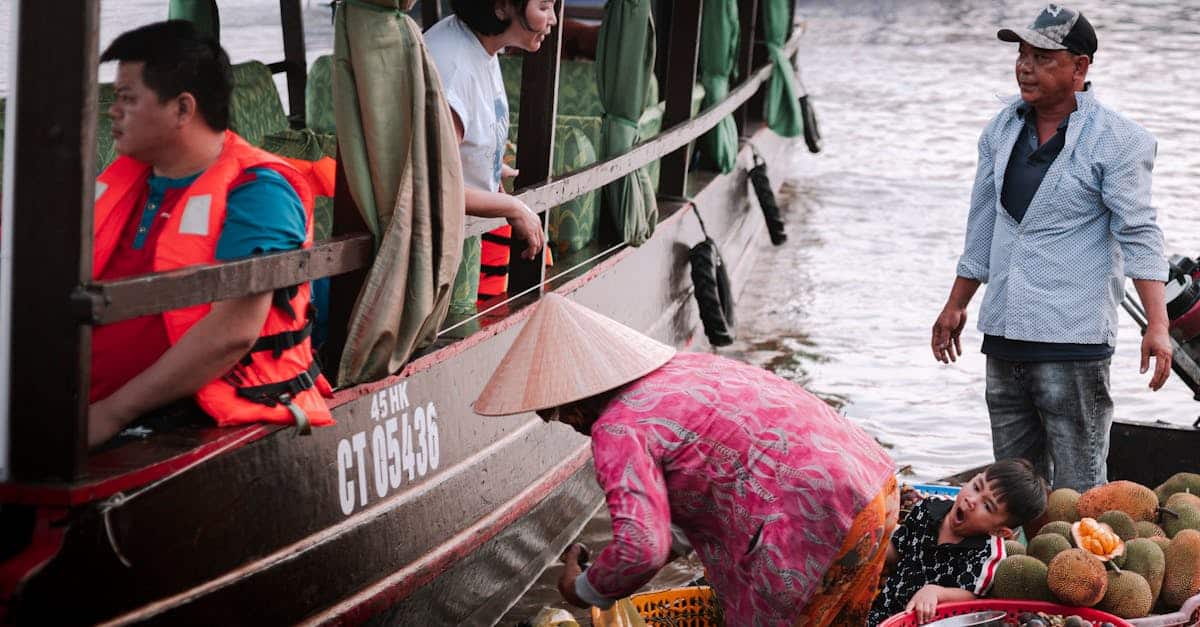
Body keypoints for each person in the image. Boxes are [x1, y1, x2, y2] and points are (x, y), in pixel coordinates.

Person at [472, 294, 900, 626]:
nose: (569, 426)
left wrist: (581, 589)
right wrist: (610, 560)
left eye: (561, 415)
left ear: (576, 401)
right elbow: (679, 513)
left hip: (817, 527)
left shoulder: (617, 429)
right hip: (873, 490)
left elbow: (643, 549)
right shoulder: (685, 369)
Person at [930, 4, 1171, 492]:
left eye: (1042, 57)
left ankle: (1086, 569)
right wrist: (956, 304)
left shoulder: (1118, 140)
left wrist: (1158, 327)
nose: (1024, 66)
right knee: (1013, 494)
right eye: (1021, 55)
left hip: (1073, 346)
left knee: (1081, 493)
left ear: (1079, 68)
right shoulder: (1000, 130)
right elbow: (982, 227)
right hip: (1002, 337)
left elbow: (1140, 234)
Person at [88, 21, 333, 447]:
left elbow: (235, 330)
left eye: (128, 98)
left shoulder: (258, 192)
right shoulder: (125, 183)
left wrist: (109, 414)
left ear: (183, 109)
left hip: (183, 417)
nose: (113, 109)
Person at [424, 0, 551, 303]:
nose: (553, 20)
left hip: (466, 239)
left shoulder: (483, 47)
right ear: (502, 7)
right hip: (436, 250)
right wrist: (515, 208)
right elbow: (438, 186)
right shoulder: (453, 68)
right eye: (544, 6)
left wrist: (486, 163)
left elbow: (457, 149)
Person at [866, 459, 1048, 626]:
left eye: (987, 506)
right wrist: (870, 549)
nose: (971, 500)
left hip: (926, 621)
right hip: (883, 607)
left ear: (999, 531)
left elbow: (973, 595)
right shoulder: (926, 510)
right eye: (976, 487)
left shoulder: (989, 553)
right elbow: (897, 550)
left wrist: (937, 593)